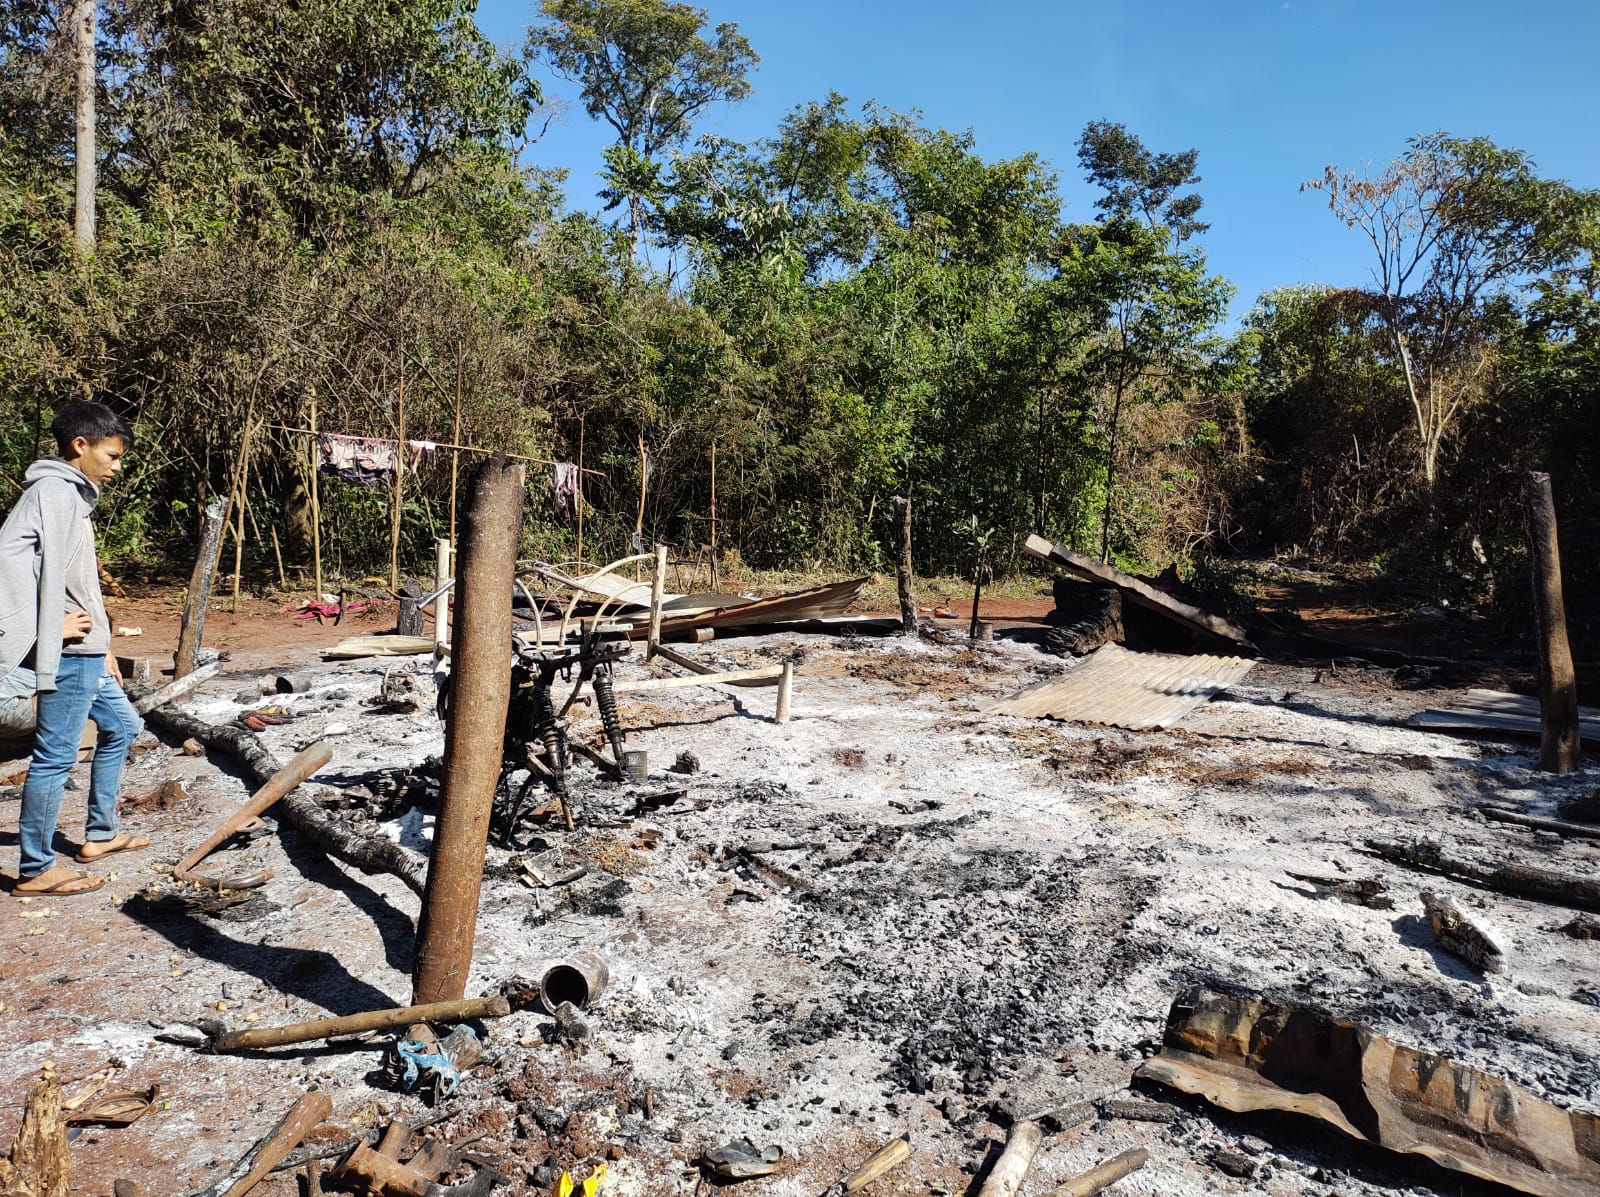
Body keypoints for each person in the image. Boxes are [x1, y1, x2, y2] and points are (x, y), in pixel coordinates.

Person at [1, 401, 148, 895]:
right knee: (55, 756)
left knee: (124, 726)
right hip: (68, 650)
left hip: (89, 648)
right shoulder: (54, 492)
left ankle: (100, 834)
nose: (116, 465)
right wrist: (47, 630)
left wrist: (104, 642)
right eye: (111, 455)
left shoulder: (70, 496)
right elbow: (9, 567)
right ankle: (37, 869)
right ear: (79, 446)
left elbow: (71, 580)